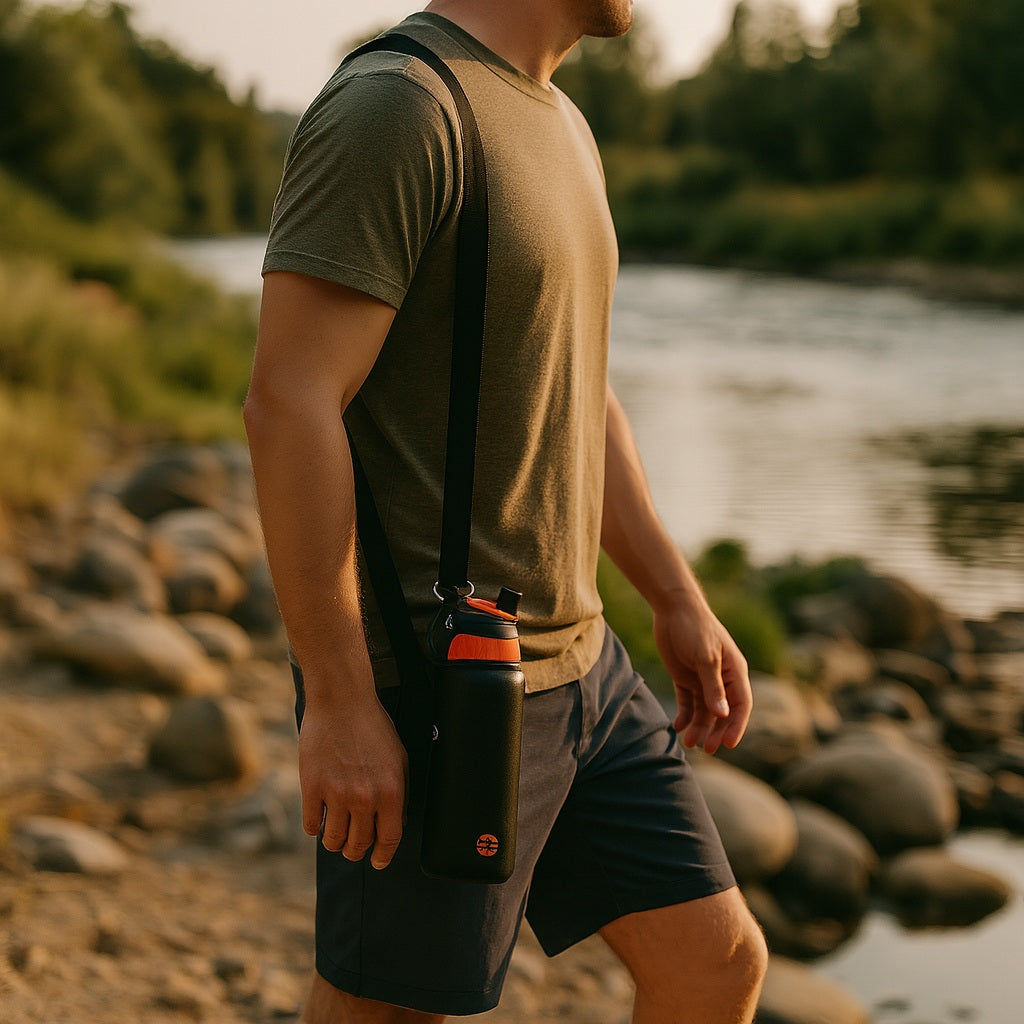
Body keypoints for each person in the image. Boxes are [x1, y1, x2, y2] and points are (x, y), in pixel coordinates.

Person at [244, 1, 768, 1021]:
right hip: (451, 683)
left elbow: (576, 390)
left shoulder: (561, 121)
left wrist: (673, 592)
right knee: (392, 1010)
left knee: (714, 967)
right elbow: (290, 401)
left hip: (586, 670)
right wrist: (343, 700)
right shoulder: (396, 109)